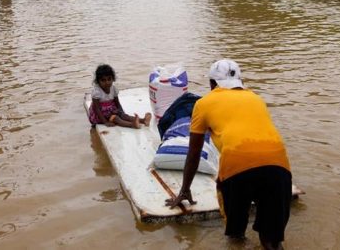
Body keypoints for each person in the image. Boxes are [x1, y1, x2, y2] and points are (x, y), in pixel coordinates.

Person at [165, 59, 291, 250]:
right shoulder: (256, 98)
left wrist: (184, 189)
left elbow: (194, 152)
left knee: (236, 235)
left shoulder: (203, 103)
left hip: (237, 166)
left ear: (211, 84)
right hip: (279, 165)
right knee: (272, 241)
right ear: (241, 81)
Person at [88, 64, 152, 129]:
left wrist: (122, 113)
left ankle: (143, 121)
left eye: (109, 79)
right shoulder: (97, 92)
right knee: (116, 118)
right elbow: (97, 109)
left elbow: (117, 103)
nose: (107, 82)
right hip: (100, 116)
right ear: (98, 81)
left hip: (111, 111)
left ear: (113, 79)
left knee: (124, 116)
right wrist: (105, 122)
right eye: (103, 80)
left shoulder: (113, 89)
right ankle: (132, 125)